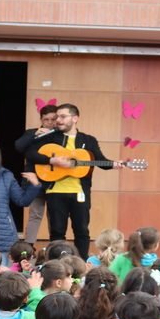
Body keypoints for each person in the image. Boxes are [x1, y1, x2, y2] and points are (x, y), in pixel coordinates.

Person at [25, 104, 124, 257]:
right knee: (57, 231)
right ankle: (58, 264)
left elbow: (100, 161)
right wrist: (53, 160)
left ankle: (82, 264)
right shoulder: (50, 136)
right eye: (57, 117)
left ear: (75, 118)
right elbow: (30, 153)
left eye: (63, 116)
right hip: (55, 190)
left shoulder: (89, 140)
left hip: (79, 192)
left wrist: (114, 164)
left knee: (82, 230)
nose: (58, 120)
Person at [15, 104, 58, 245]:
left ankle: (54, 246)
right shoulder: (32, 133)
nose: (50, 123)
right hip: (36, 181)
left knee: (55, 215)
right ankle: (28, 246)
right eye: (46, 119)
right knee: (35, 214)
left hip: (55, 180)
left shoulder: (60, 134)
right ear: (41, 119)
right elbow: (19, 147)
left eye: (53, 119)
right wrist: (35, 135)